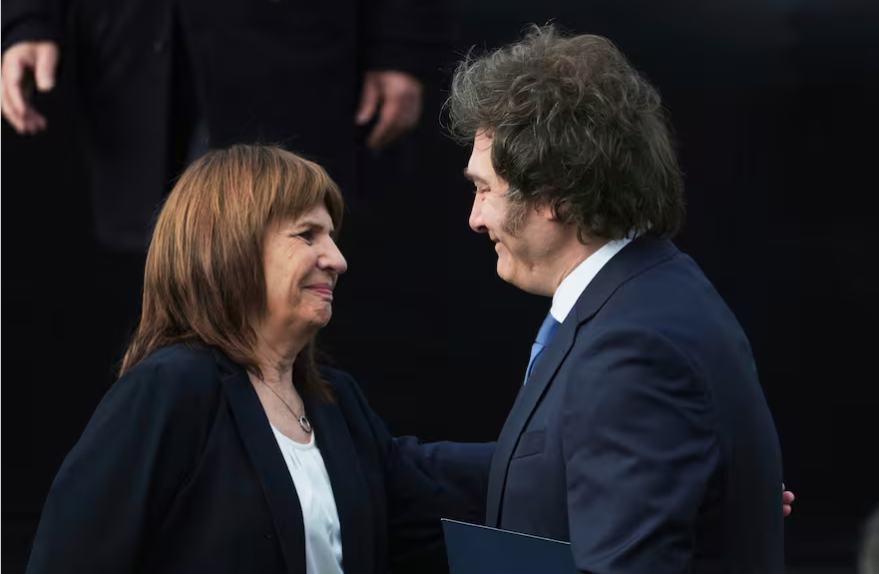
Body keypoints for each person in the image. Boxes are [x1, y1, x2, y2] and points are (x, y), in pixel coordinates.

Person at [24, 144, 481, 574]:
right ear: (230, 248)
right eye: (307, 235)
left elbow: (432, 490)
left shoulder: (335, 401)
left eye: (331, 237)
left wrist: (536, 441)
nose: (337, 259)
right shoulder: (169, 389)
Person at [447, 25, 787, 572]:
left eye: (484, 188)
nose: (475, 217)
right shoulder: (655, 290)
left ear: (552, 195)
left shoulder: (633, 348)